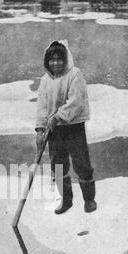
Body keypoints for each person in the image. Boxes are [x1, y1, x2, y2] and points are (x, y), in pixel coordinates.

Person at [36, 39, 97, 214]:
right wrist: (40, 129)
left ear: (65, 59)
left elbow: (76, 102)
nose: (55, 63)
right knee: (58, 166)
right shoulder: (45, 80)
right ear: (47, 61)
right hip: (53, 130)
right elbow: (42, 106)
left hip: (73, 126)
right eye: (51, 59)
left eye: (59, 59)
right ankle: (66, 201)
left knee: (82, 164)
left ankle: (89, 200)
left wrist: (58, 116)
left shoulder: (75, 75)